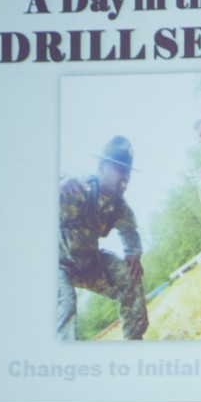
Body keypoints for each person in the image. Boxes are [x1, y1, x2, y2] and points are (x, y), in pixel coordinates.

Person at [57, 135, 148, 340]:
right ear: (101, 167)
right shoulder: (76, 186)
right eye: (119, 170)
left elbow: (129, 231)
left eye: (127, 171)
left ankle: (136, 342)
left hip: (88, 262)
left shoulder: (118, 205)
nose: (125, 176)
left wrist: (133, 253)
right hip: (57, 264)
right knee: (66, 302)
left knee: (129, 275)